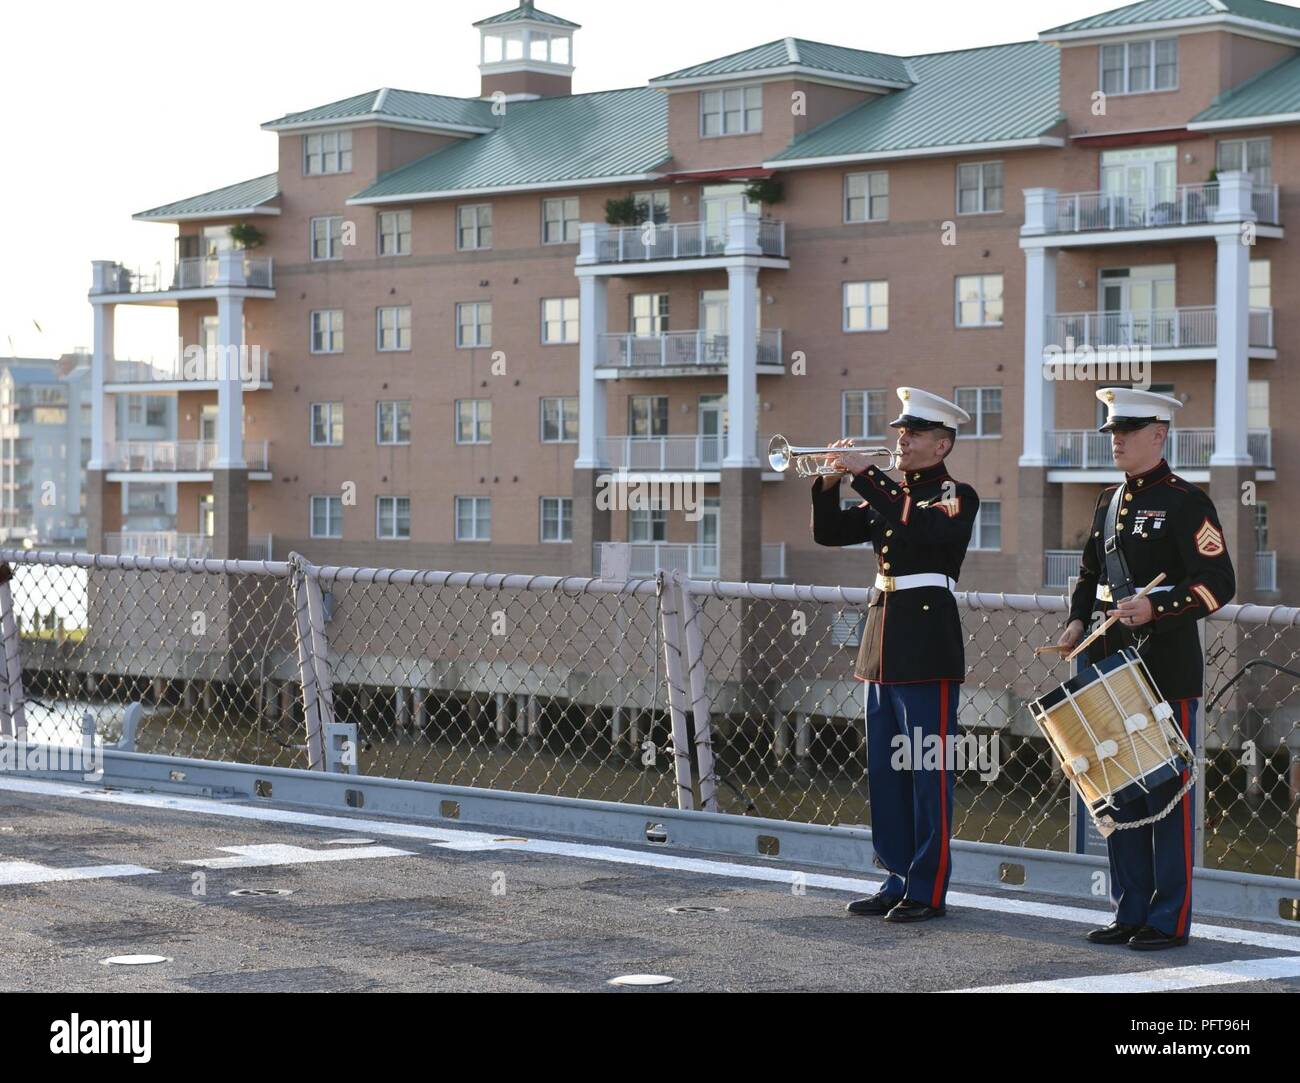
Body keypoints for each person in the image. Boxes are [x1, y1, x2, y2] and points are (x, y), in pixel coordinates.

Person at [1057, 387, 1236, 950]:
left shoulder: (1187, 502)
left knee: (1166, 799)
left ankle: (1168, 919)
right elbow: (1089, 573)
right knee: (1117, 792)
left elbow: (1218, 584)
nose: (1116, 441)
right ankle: (1128, 909)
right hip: (1107, 660)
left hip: (1162, 665)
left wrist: (1156, 606)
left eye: (1126, 433)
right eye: (1111, 432)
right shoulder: (1106, 502)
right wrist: (1075, 620)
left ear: (1158, 436)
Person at [811, 387, 979, 923]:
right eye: (900, 432)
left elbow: (923, 527)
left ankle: (927, 888)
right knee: (885, 771)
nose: (901, 440)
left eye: (914, 433)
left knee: (927, 773)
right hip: (882, 646)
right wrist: (830, 481)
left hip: (927, 649)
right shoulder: (890, 494)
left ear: (942, 444)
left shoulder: (954, 495)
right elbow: (830, 533)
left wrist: (866, 474)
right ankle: (896, 875)